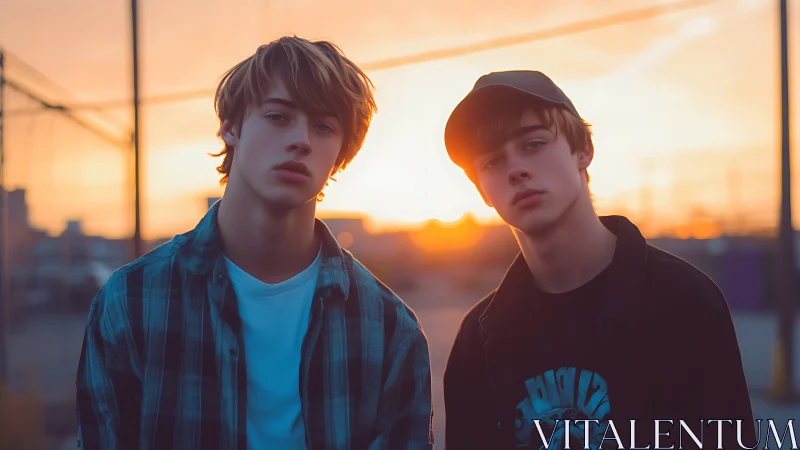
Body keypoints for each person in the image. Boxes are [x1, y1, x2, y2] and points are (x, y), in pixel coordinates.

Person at [76, 36, 434, 450]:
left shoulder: (390, 328)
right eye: (279, 116)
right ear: (231, 127)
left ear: (340, 154)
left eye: (323, 126)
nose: (301, 139)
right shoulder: (132, 302)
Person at [441, 70, 755, 449]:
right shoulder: (478, 339)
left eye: (533, 144)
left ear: (583, 151)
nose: (516, 170)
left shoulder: (685, 301)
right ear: (483, 192)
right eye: (492, 162)